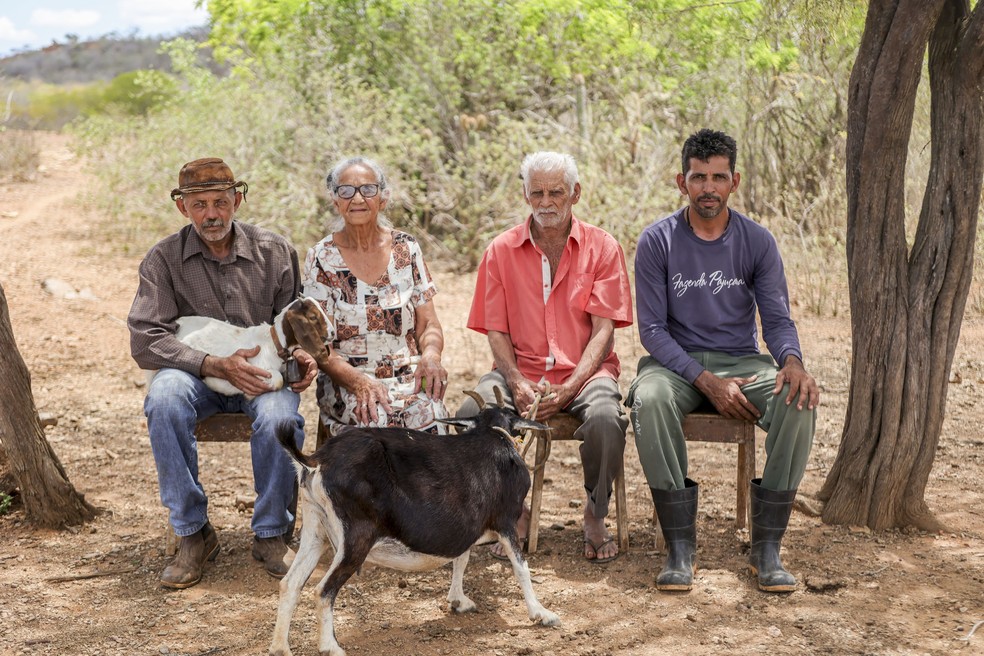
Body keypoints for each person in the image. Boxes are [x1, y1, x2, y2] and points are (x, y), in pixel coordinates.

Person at [627, 129, 819, 593]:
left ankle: (767, 548)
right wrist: (705, 380)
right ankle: (679, 548)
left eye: (718, 177)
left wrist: (791, 360)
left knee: (797, 400)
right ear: (681, 182)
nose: (707, 187)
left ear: (734, 181)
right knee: (648, 399)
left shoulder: (757, 241)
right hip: (675, 365)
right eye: (698, 178)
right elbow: (651, 331)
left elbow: (776, 319)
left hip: (741, 361)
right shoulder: (657, 241)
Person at [128, 158, 319, 588]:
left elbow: (293, 327)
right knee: (164, 398)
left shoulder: (275, 251)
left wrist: (301, 360)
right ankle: (193, 533)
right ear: (183, 209)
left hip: (260, 376)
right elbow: (145, 339)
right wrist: (211, 364)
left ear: (238, 199)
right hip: (196, 376)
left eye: (220, 201)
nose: (211, 214)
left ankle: (272, 534)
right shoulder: (163, 259)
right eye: (199, 204)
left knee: (280, 417)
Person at [457, 151, 633, 563]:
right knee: (470, 412)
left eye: (556, 192)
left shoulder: (603, 247)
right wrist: (515, 380)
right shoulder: (500, 250)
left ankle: (595, 513)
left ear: (576, 193)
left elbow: (603, 331)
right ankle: (512, 510)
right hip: (519, 370)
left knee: (607, 418)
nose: (547, 201)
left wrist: (572, 386)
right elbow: (496, 331)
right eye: (537, 192)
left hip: (585, 374)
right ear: (525, 195)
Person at [302, 156, 450, 434]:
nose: (357, 198)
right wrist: (360, 383)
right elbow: (321, 348)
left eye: (368, 189)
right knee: (378, 419)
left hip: (408, 376)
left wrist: (431, 356)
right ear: (335, 201)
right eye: (346, 190)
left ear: (383, 198)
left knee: (434, 415)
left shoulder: (407, 249)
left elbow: (429, 324)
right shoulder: (321, 257)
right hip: (350, 381)